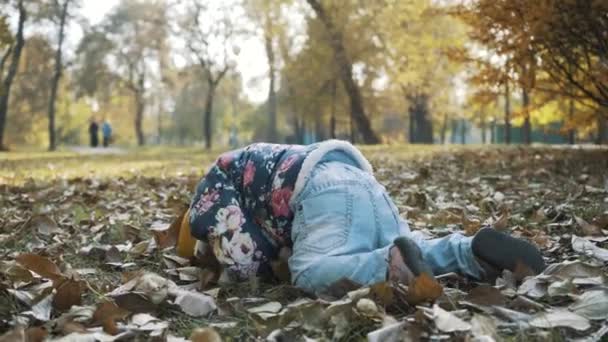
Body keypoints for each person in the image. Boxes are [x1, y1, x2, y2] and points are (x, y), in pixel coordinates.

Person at [179, 140, 545, 293]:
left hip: (322, 190)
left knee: (308, 271)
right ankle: (469, 250)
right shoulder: (249, 169)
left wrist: (237, 274)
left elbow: (245, 256)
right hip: (366, 185)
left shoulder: (213, 193)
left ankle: (387, 266)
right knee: (403, 245)